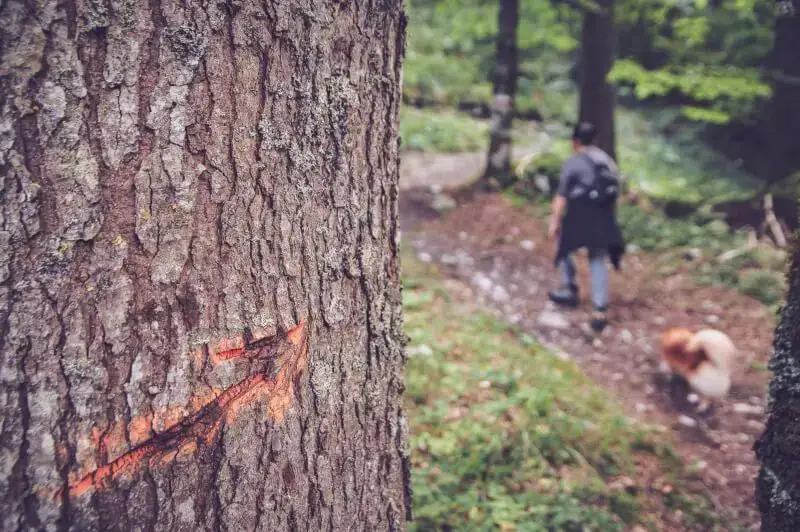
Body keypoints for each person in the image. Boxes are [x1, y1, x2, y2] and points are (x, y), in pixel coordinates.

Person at [547, 122, 625, 332]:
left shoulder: (573, 163)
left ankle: (569, 289)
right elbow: (615, 192)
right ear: (595, 140)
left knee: (564, 246)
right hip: (603, 214)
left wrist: (554, 222)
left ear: (575, 142)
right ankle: (599, 308)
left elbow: (561, 196)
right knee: (597, 257)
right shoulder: (607, 161)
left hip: (579, 214)